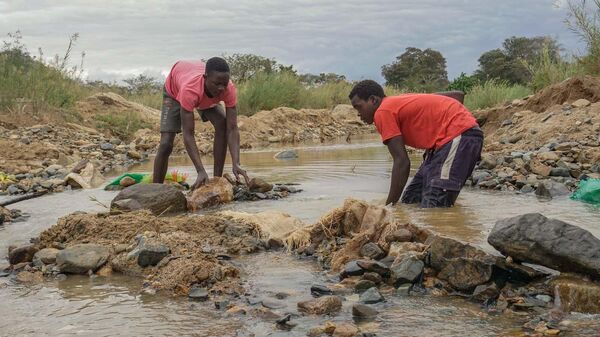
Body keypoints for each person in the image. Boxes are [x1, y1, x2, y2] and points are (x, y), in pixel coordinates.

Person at [349, 80, 483, 208]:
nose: (358, 114)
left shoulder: (382, 112)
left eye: (358, 107)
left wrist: (389, 207)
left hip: (458, 136)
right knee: (411, 200)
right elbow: (457, 95)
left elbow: (402, 162)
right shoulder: (396, 102)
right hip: (444, 143)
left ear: (373, 100)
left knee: (435, 205)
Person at [153, 57, 249, 189]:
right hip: (174, 92)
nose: (221, 89)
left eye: (224, 84)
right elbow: (188, 134)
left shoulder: (228, 88)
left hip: (202, 94)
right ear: (205, 77)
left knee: (222, 124)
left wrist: (236, 162)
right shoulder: (189, 90)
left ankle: (217, 180)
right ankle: (155, 189)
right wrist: (200, 171)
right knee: (166, 144)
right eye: (217, 84)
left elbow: (232, 128)